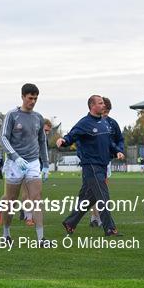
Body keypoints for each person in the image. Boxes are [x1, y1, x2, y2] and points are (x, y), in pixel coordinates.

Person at [57, 95, 125, 237]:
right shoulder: (84, 123)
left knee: (90, 198)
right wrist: (63, 141)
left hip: (102, 165)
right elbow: (72, 135)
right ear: (92, 106)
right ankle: (110, 229)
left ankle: (70, 222)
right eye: (100, 103)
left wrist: (117, 151)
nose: (103, 106)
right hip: (91, 165)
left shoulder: (105, 123)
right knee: (103, 197)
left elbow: (109, 143)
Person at [0, 83, 50, 246]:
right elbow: (3, 138)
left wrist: (45, 165)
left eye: (35, 98)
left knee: (36, 199)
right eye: (30, 98)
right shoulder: (12, 115)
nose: (33, 101)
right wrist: (15, 156)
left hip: (33, 163)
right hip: (14, 163)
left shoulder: (38, 117)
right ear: (23, 97)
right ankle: (6, 234)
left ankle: (41, 239)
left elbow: (42, 141)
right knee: (11, 200)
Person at [89, 97, 125, 228]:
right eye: (103, 111)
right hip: (92, 161)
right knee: (95, 189)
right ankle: (97, 217)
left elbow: (119, 139)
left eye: (107, 112)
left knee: (97, 189)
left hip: (106, 161)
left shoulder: (112, 124)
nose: (105, 115)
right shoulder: (90, 122)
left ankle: (95, 216)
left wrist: (118, 150)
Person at [20, 119, 52, 226]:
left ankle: (27, 213)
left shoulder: (44, 140)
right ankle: (27, 216)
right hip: (24, 164)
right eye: (45, 130)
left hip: (36, 166)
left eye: (48, 131)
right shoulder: (30, 136)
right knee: (25, 192)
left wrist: (45, 167)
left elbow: (44, 154)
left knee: (36, 193)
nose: (46, 133)